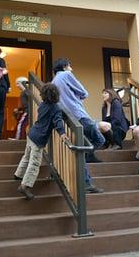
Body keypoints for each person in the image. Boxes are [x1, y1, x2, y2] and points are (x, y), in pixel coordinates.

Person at [51, 57, 105, 193]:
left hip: (69, 120)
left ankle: (87, 177)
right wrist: (77, 97)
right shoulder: (66, 74)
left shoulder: (53, 82)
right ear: (64, 66)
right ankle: (88, 158)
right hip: (79, 115)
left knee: (81, 148)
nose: (71, 69)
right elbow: (84, 93)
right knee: (100, 139)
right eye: (70, 66)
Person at [14, 83, 68, 200]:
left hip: (32, 134)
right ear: (56, 95)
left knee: (27, 156)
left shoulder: (42, 105)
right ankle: (25, 185)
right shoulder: (55, 108)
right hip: (39, 138)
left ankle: (18, 174)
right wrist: (62, 133)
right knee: (35, 163)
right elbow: (58, 121)